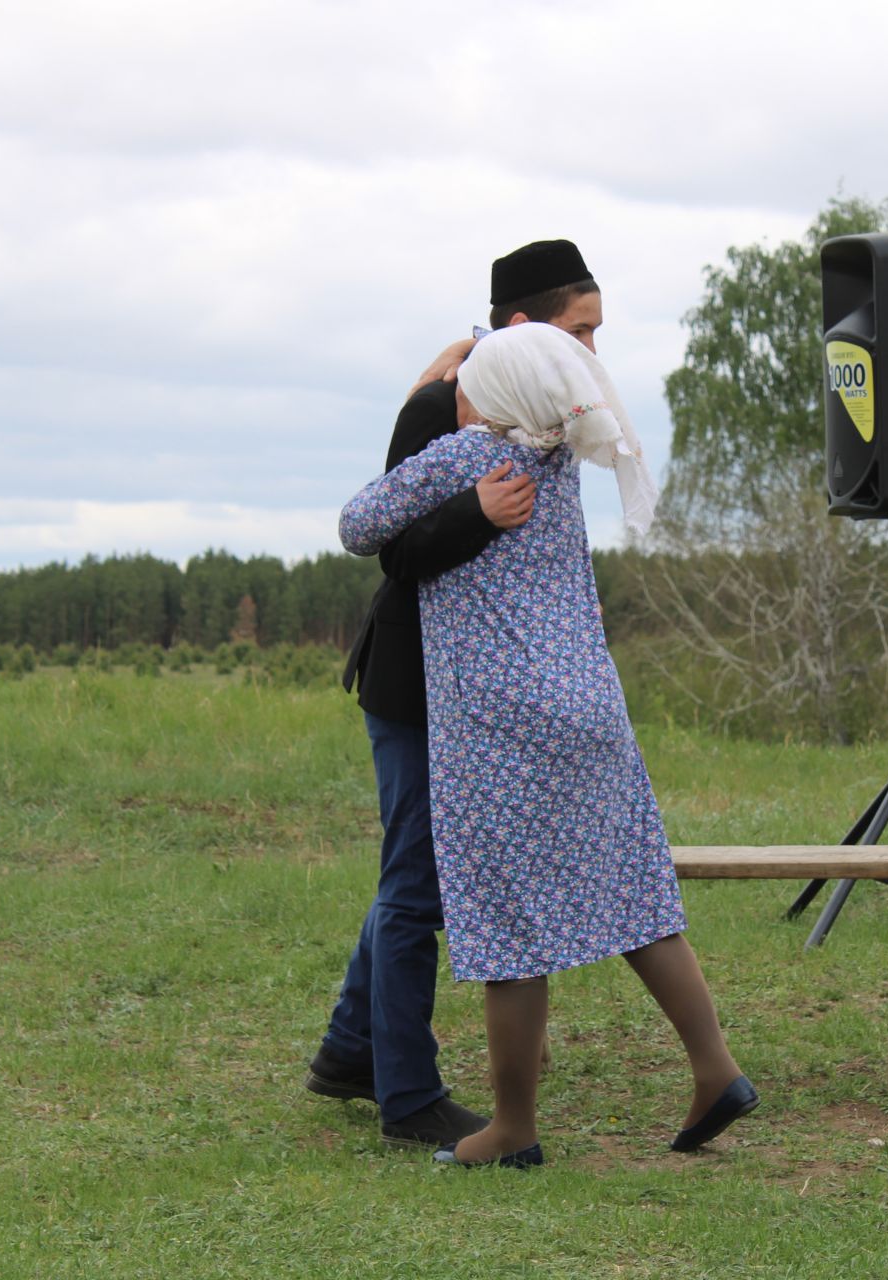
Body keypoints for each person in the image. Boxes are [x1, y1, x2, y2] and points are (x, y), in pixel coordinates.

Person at [338, 322, 757, 1168]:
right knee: (637, 899)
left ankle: (512, 1129)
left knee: (504, 924)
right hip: (591, 708)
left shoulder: (464, 460)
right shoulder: (563, 464)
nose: (451, 400)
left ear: (490, 403)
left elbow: (358, 525)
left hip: (502, 720)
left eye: (464, 390)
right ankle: (717, 1071)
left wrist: (429, 401)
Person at [305, 241, 604, 1150]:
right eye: (580, 330)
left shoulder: (548, 410)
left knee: (412, 873)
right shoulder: (443, 405)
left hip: (489, 692)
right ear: (525, 327)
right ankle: (406, 1099)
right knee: (416, 885)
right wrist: (479, 511)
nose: (593, 351)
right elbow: (390, 549)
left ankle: (352, 1052)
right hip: (417, 690)